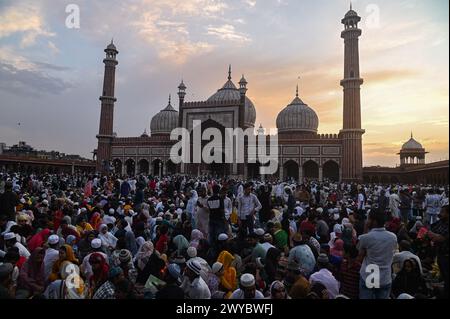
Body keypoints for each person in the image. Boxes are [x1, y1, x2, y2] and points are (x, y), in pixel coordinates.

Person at [357, 210, 397, 299]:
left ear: (374, 221)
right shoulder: (393, 237)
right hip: (385, 277)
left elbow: (359, 255)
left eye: (368, 219)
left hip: (370, 276)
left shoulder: (366, 237)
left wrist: (365, 229)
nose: (367, 221)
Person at [428, 204, 449, 297]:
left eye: (442, 212)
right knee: (445, 277)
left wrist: (431, 235)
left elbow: (440, 238)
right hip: (441, 254)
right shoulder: (441, 222)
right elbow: (432, 229)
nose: (440, 214)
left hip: (447, 256)